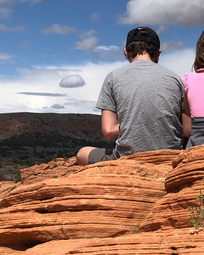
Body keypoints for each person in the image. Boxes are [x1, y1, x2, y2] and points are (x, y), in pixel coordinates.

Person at [76, 27, 187, 165]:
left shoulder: (113, 77)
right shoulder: (175, 79)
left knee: (82, 153)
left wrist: (132, 123)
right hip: (170, 158)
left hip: (127, 159)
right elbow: (186, 130)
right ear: (158, 53)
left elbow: (109, 131)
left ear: (126, 52)